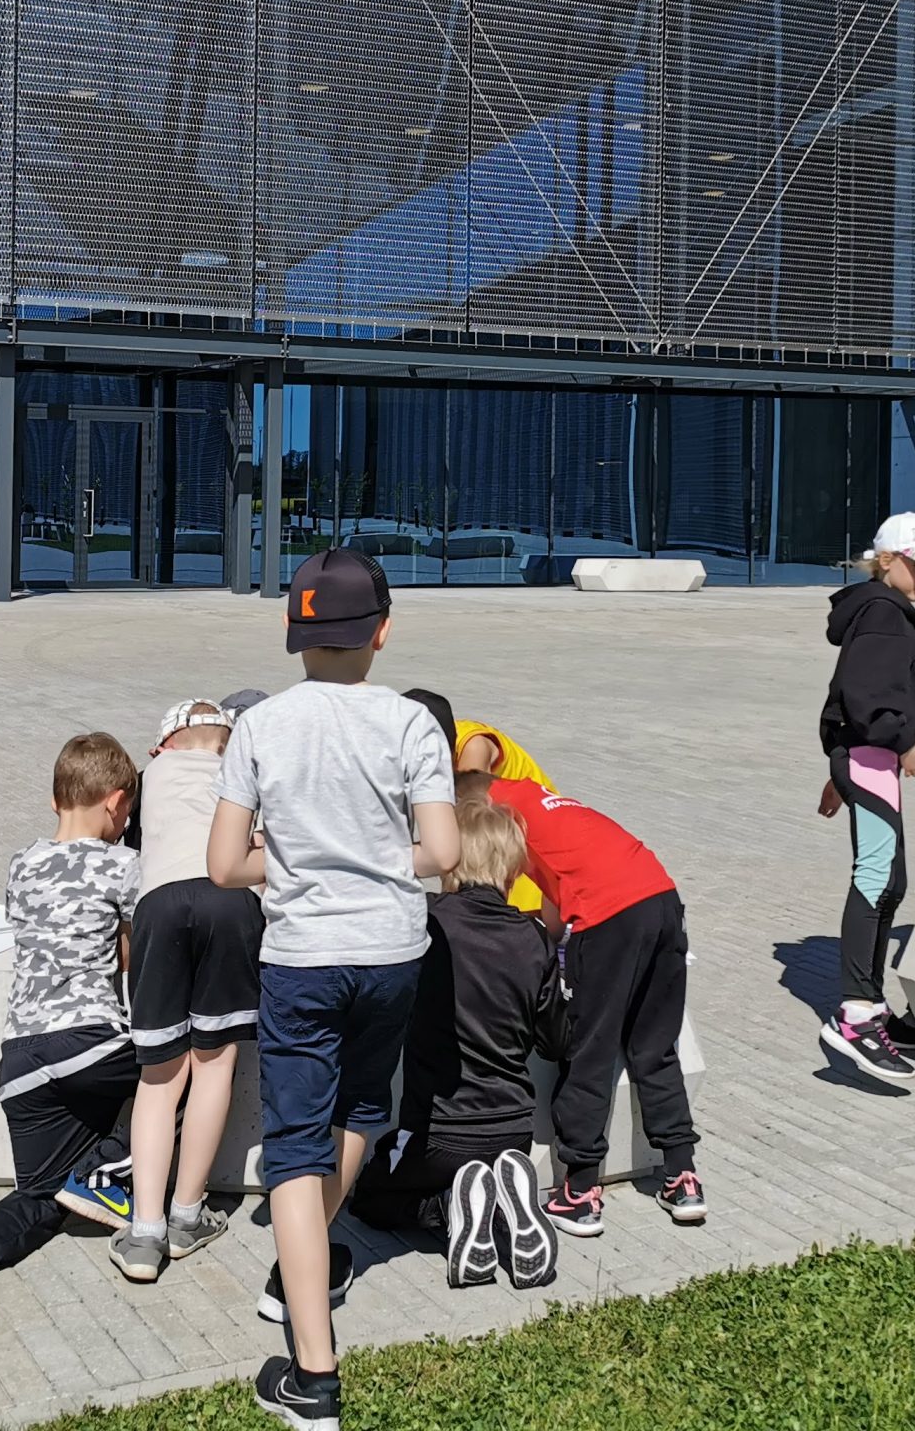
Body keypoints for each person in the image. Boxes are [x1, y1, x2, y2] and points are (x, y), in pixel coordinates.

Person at [207, 548, 460, 1431]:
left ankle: (313, 1374)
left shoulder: (262, 727)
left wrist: (297, 863)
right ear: (382, 632)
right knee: (360, 1108)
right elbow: (443, 853)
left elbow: (223, 864)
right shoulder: (412, 723)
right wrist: (374, 858)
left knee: (293, 1146)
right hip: (392, 951)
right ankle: (301, 1270)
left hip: (304, 956)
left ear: (293, 632)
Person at [0, 733, 144, 1327]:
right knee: (184, 1064)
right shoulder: (124, 865)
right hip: (89, 1042)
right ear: (117, 803)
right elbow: (130, 956)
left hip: (19, 1061)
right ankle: (105, 1170)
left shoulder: (22, 862)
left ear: (55, 800)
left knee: (48, 1195)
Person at [471, 771, 703, 1236]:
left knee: (588, 1052)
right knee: (655, 1047)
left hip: (610, 918)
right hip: (661, 900)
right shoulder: (540, 801)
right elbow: (557, 901)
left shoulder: (495, 811)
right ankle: (682, 1177)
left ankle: (578, 1192)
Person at [349, 796, 565, 1290]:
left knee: (369, 1198)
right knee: (483, 1164)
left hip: (437, 1136)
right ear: (512, 868)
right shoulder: (534, 938)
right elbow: (555, 1042)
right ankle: (504, 1208)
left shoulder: (425, 920)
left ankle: (450, 1209)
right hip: (512, 1132)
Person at [112, 700, 264, 1283]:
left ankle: (144, 1232)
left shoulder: (150, 778)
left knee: (159, 1075)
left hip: (161, 906)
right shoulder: (243, 771)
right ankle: (187, 1214)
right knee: (214, 1065)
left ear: (163, 745)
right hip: (232, 903)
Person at [813, 512, 915, 1083]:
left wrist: (842, 769)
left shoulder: (883, 608)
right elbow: (863, 695)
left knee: (889, 881)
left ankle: (871, 1005)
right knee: (877, 878)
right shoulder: (883, 612)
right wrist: (906, 743)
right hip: (872, 755)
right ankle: (855, 1015)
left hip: (868, 759)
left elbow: (848, 698)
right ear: (888, 560)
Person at [404, 690, 554, 914]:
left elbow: (466, 829)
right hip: (503, 824)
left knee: (507, 908)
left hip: (523, 830)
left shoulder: (472, 748)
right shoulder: (441, 737)